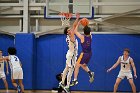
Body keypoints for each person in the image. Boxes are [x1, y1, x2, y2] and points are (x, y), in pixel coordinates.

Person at [59, 13, 79, 93]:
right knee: (70, 70)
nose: (70, 30)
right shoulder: (71, 36)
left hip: (69, 54)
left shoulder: (68, 36)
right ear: (68, 32)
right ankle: (67, 86)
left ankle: (62, 82)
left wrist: (69, 20)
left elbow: (72, 27)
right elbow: (74, 26)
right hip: (72, 56)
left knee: (66, 68)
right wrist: (77, 18)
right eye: (69, 30)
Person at [70, 20, 94, 86]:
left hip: (84, 54)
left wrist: (78, 23)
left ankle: (75, 80)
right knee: (83, 65)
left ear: (84, 32)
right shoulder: (90, 36)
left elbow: (75, 31)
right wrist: (86, 24)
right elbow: (88, 31)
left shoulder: (82, 37)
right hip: (90, 54)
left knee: (77, 66)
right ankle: (90, 73)